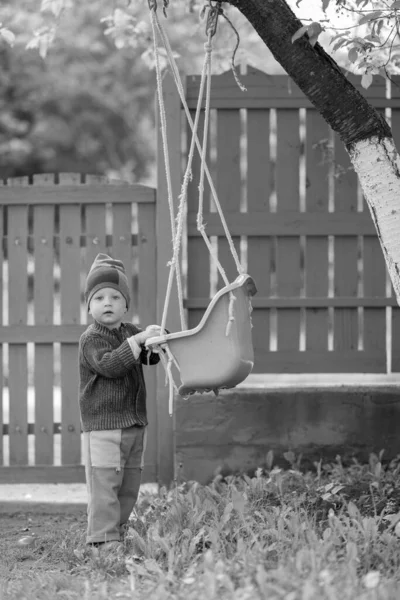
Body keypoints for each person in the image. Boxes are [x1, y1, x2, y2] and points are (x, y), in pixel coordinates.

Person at [79, 253, 163, 551]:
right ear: (89, 306)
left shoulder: (131, 332)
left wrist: (154, 340)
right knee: (105, 485)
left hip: (133, 423)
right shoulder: (92, 339)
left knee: (128, 485)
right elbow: (112, 365)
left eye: (116, 297)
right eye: (99, 297)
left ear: (126, 304)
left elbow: (149, 357)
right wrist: (137, 343)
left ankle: (118, 530)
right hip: (103, 426)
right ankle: (101, 539)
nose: (108, 303)